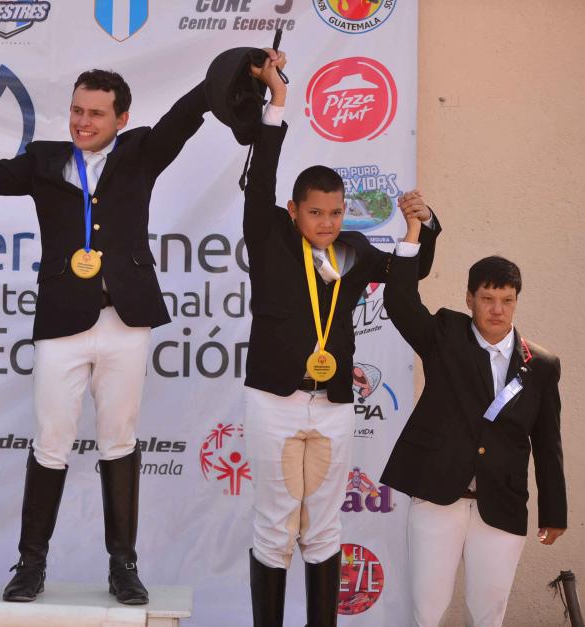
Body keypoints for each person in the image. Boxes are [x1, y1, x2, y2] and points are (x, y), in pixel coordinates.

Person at [0, 66, 211, 605]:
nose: (83, 122)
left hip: (125, 321)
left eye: (96, 114)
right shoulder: (44, 160)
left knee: (120, 440)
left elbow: (183, 118)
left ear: (121, 118)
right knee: (51, 440)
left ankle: (123, 566)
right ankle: (30, 564)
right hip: (62, 321)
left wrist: (224, 78)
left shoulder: (140, 152)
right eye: (77, 110)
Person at [233, 50, 440, 627]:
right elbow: (260, 178)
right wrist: (277, 102)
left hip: (333, 405)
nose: (326, 223)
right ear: (293, 211)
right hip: (274, 401)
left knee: (324, 527)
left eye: (335, 212)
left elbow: (411, 273)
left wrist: (420, 226)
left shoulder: (354, 249)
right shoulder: (270, 236)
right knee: (275, 525)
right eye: (316, 213)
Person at [381, 244, 566, 627]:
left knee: (488, 614)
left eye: (506, 300)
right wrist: (413, 235)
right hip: (437, 498)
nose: (497, 309)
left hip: (502, 502)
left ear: (516, 302)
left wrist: (554, 512)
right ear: (470, 299)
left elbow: (548, 444)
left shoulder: (542, 365)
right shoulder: (445, 334)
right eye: (487, 298)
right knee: (427, 611)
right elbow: (399, 301)